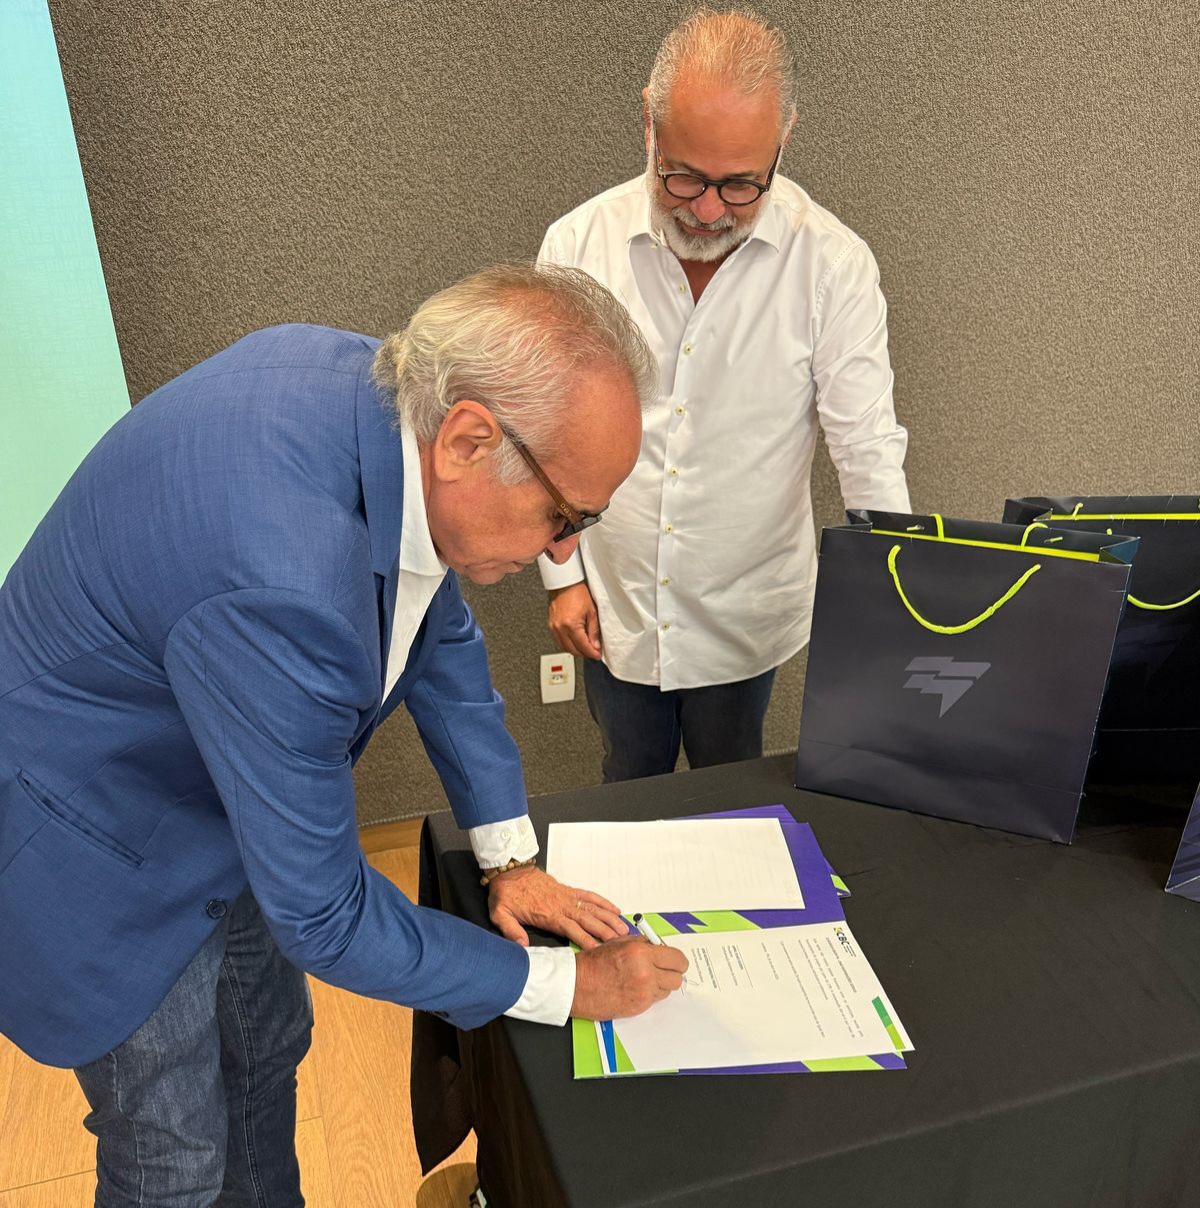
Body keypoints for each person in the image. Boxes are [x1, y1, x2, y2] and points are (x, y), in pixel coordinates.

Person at [0, 264, 687, 1204]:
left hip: (214, 785)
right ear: (469, 439)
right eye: (564, 517)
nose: (564, 551)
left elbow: (439, 632)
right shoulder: (284, 582)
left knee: (268, 1049)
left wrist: (510, 859)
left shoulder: (377, 392)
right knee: (172, 1148)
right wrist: (568, 989)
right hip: (97, 840)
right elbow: (323, 915)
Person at [539, 7, 912, 781]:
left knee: (733, 784)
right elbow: (547, 432)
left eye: (742, 185)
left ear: (784, 139)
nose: (707, 211)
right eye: (682, 176)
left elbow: (867, 449)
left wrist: (898, 606)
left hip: (748, 612)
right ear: (648, 122)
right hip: (616, 600)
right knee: (629, 780)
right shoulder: (576, 245)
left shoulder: (832, 264)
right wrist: (563, 577)